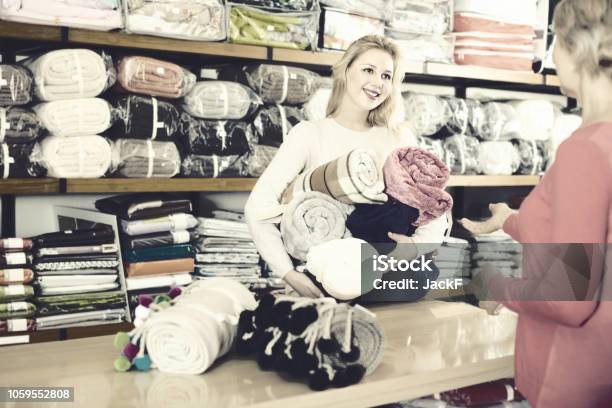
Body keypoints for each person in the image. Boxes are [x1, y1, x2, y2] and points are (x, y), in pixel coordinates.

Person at [460, 0, 612, 406]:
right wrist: (511, 220)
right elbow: (593, 234)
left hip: (572, 375)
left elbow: (566, 299)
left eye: (555, 41)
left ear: (576, 48)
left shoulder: (587, 150)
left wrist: (492, 284)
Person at [245, 35, 447, 297]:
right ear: (345, 70)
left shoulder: (398, 138)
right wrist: (288, 273)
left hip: (393, 283)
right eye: (368, 70)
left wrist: (416, 246)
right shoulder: (309, 134)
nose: (377, 82)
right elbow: (257, 207)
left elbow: (435, 206)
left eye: (387, 76)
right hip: (330, 286)